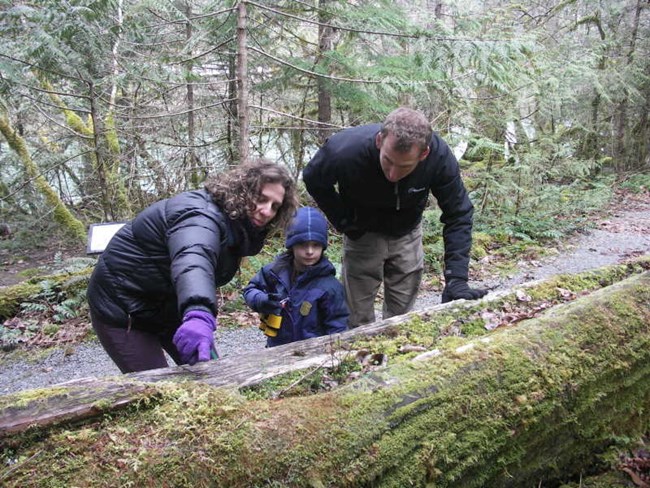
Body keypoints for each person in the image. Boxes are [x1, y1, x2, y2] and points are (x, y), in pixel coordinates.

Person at [86, 159, 298, 373]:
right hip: (124, 308)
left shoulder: (237, 225)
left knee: (210, 374)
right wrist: (198, 313)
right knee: (156, 388)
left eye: (275, 206)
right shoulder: (200, 215)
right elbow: (193, 258)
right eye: (261, 199)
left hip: (170, 306)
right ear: (243, 190)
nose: (266, 211)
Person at [302, 107, 486, 327]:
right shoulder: (346, 150)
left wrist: (456, 278)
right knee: (356, 317)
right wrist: (344, 221)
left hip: (407, 233)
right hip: (362, 234)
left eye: (404, 166)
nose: (393, 174)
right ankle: (359, 356)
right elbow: (313, 178)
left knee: (402, 319)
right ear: (380, 140)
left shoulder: (438, 157)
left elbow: (458, 213)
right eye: (388, 160)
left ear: (423, 154)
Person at [243, 206, 349, 347]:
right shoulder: (275, 271)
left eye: (316, 245)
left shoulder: (330, 287)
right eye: (303, 245)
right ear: (291, 245)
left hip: (312, 355)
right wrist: (262, 300)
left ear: (323, 247)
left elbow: (338, 327)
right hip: (276, 350)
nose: (310, 251)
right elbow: (251, 289)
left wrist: (335, 354)